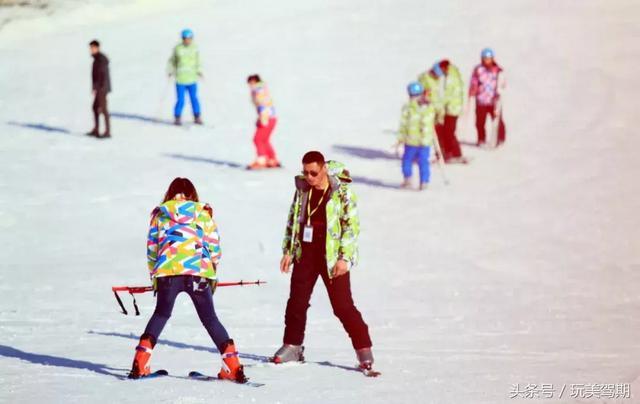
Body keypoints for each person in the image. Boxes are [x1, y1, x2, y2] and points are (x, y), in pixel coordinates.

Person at [128, 177, 246, 383]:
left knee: (162, 313)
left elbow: (152, 250)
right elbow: (214, 247)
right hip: (198, 272)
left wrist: (154, 274)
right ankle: (233, 366)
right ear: (192, 194)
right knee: (210, 318)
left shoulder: (160, 214)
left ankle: (140, 361)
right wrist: (212, 271)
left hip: (167, 272)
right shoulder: (203, 213)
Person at [274, 152, 375, 374]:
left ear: (324, 170)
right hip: (306, 253)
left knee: (342, 306)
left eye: (314, 173)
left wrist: (344, 258)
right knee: (296, 302)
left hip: (331, 257)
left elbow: (351, 227)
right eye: (306, 172)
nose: (309, 177)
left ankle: (364, 350)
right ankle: (293, 345)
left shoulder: (342, 191)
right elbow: (293, 219)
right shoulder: (302, 189)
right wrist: (289, 251)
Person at [419, 60, 466, 163]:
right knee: (441, 132)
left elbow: (445, 96)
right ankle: (444, 153)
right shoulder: (429, 78)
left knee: (448, 132)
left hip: (450, 109)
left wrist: (442, 108)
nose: (437, 76)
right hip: (439, 110)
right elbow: (433, 96)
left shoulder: (450, 77)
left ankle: (452, 153)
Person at [396, 82, 436, 191]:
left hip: (414, 140)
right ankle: (421, 180)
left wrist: (400, 138)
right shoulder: (428, 107)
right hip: (419, 141)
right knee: (419, 161)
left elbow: (403, 124)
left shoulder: (409, 107)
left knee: (411, 160)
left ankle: (413, 179)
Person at [467, 47, 506, 147]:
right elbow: (474, 81)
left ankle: (500, 138)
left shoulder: (498, 70)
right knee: (480, 122)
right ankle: (481, 139)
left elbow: (503, 83)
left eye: (488, 58)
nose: (486, 61)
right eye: (484, 58)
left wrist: (500, 91)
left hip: (494, 101)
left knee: (497, 121)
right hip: (481, 100)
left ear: (492, 59)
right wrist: (472, 92)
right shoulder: (478, 69)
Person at [167, 29, 203, 126]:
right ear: (182, 39)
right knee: (180, 100)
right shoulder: (178, 49)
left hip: (192, 79)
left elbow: (198, 61)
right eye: (185, 39)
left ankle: (197, 117)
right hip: (181, 79)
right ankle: (177, 117)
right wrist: (170, 71)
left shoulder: (194, 48)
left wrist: (199, 70)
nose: (187, 40)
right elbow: (172, 61)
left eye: (189, 39)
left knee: (194, 98)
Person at [246, 74, 280, 169]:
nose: (250, 85)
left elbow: (263, 105)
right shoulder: (261, 89)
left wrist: (263, 118)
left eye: (252, 82)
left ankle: (262, 160)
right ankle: (272, 159)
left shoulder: (258, 90)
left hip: (267, 117)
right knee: (264, 139)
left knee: (257, 139)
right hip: (271, 117)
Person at [88, 40, 111, 138]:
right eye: (90, 48)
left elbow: (103, 76)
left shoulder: (101, 60)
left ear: (97, 48)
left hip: (102, 89)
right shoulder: (96, 59)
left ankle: (107, 132)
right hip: (99, 89)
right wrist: (94, 88)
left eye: (93, 48)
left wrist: (101, 89)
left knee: (103, 109)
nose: (91, 50)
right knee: (95, 108)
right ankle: (96, 129)